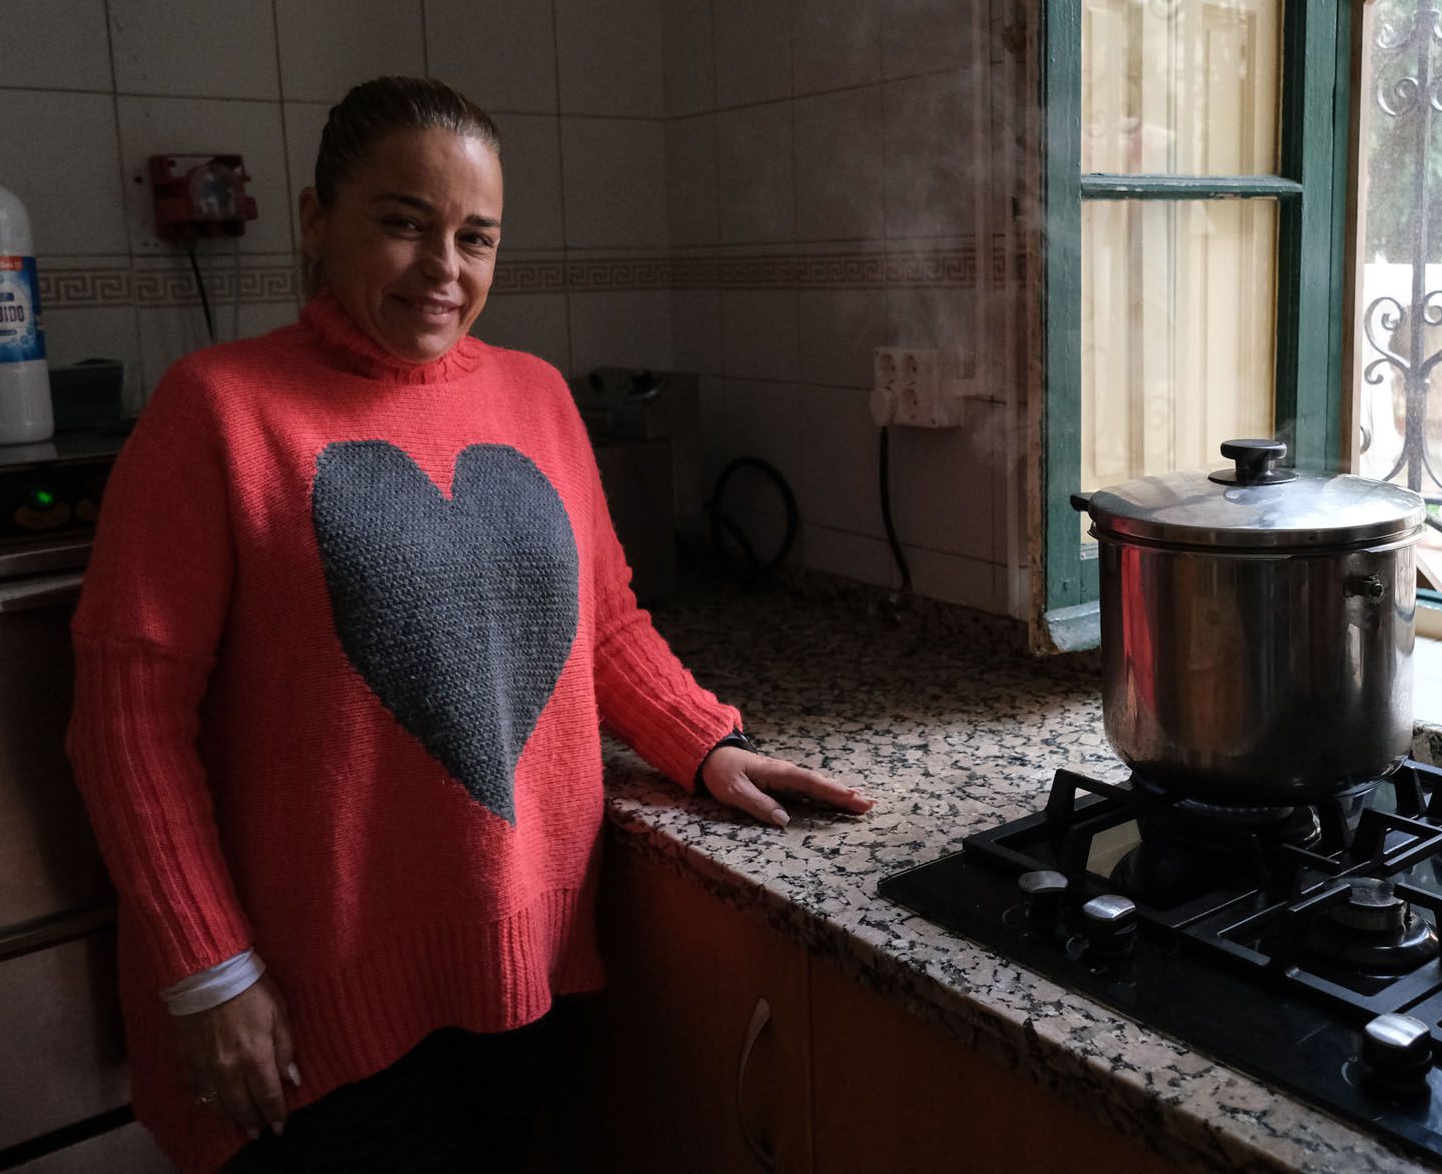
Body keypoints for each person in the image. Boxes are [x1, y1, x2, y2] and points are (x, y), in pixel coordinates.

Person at [65, 76, 873, 1174]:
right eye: (404, 223)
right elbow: (129, 724)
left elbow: (602, 622)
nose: (444, 267)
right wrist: (208, 968)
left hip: (523, 961)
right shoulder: (214, 409)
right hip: (302, 1000)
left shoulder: (537, 396)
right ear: (315, 220)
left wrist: (704, 742)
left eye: (475, 236)